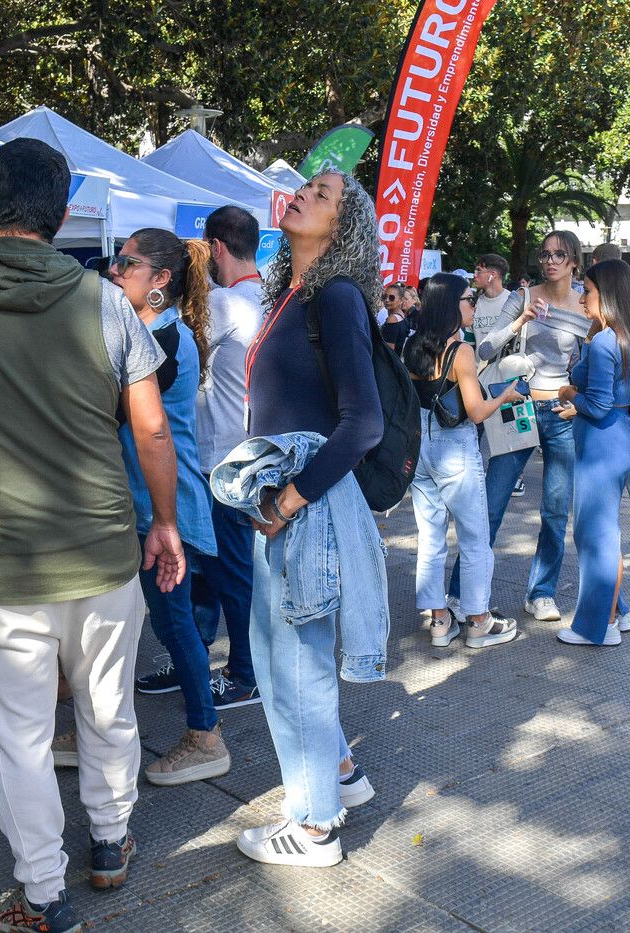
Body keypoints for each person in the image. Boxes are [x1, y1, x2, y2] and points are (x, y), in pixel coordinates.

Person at [0, 138, 184, 932]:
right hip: (105, 550)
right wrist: (166, 523)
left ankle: (42, 890)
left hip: (0, 565)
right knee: (109, 709)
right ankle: (111, 842)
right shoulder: (108, 301)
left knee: (18, 740)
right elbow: (152, 434)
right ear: (62, 216)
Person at [233, 167, 387, 868]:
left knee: (295, 661)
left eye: (322, 195)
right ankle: (342, 774)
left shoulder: (338, 296)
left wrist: (289, 500)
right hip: (289, 500)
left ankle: (315, 824)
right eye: (307, 188)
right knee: (284, 653)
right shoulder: (294, 294)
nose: (303, 194)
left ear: (343, 225)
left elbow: (365, 423)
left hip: (306, 505)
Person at [109, 228, 231, 787]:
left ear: (160, 280)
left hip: (164, 508)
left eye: (125, 262)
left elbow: (122, 417)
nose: (113, 269)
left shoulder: (167, 340)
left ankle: (206, 735)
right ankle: (96, 725)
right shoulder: (148, 333)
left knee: (173, 621)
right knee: (142, 620)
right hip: (140, 505)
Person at [458, 230, 590, 624]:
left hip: (560, 412)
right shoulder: (524, 296)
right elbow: (484, 349)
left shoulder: (586, 303)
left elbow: (590, 362)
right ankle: (461, 592)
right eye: (544, 254)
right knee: (492, 503)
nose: (549, 261)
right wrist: (519, 319)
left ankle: (542, 592)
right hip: (519, 407)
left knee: (555, 509)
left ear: (573, 262)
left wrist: (578, 402)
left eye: (559, 254)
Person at [404, 273, 521, 650]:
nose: (473, 304)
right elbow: (475, 411)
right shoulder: (461, 352)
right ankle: (478, 620)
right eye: (468, 299)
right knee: (474, 538)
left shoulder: (411, 345)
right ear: (451, 306)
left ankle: (439, 621)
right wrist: (506, 397)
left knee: (431, 537)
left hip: (421, 446)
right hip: (454, 447)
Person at [553, 259, 630, 646]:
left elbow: (596, 404)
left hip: (601, 443)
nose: (582, 297)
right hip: (616, 437)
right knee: (601, 533)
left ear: (607, 294)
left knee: (596, 538)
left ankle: (597, 627)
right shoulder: (624, 334)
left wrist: (568, 394)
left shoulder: (608, 340)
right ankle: (617, 613)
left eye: (588, 290)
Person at [190, 205, 263, 709]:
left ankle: (244, 672)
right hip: (247, 453)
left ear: (215, 247)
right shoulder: (267, 299)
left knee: (228, 573)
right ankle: (195, 662)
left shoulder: (224, 303)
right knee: (213, 570)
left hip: (222, 459)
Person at [466, 254, 510, 346]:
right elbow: (469, 343)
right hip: (477, 360)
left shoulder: (513, 302)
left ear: (492, 275)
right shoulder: (474, 304)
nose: (474, 275)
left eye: (479, 270)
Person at [381, 282, 410, 352]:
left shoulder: (393, 318)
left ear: (401, 300)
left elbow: (389, 349)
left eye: (391, 298)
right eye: (384, 296)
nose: (387, 300)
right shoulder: (402, 315)